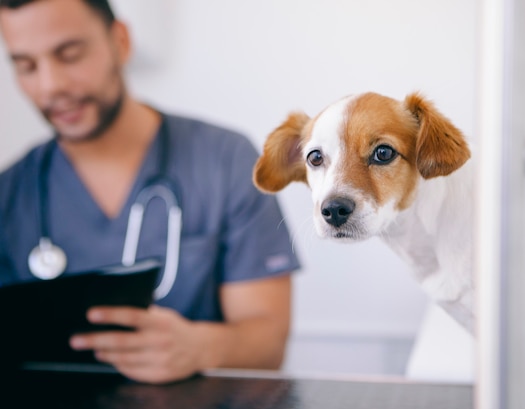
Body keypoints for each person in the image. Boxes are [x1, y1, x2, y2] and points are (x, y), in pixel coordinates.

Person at [0, 0, 300, 384]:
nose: (50, 85)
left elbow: (269, 341)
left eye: (70, 55)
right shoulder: (11, 195)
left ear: (120, 42)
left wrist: (201, 347)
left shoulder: (226, 161)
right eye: (26, 66)